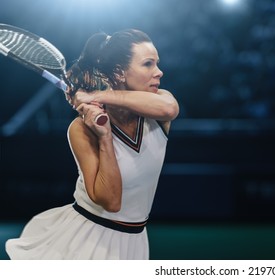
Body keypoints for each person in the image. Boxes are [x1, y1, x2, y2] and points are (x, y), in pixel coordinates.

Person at [5, 28, 179, 259]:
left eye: (157, 63)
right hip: (88, 241)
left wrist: (96, 96)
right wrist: (105, 136)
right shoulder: (81, 129)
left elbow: (169, 109)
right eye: (148, 64)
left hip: (136, 241)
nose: (159, 72)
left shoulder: (161, 105)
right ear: (119, 72)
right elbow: (111, 201)